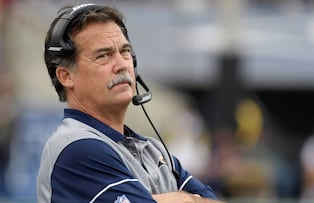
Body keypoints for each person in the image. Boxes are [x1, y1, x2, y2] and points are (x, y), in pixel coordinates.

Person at [37, 3, 223, 203]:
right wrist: (187, 199)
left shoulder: (155, 150)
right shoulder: (77, 148)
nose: (122, 64)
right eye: (103, 55)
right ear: (66, 76)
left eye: (125, 52)